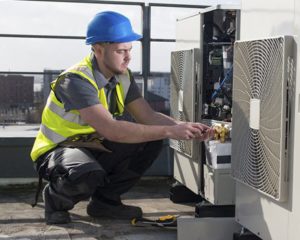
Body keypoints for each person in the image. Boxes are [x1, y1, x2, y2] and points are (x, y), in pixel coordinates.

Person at [30, 11, 214, 225]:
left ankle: (105, 202)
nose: (128, 57)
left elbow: (148, 116)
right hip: (59, 150)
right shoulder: (75, 80)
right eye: (121, 51)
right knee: (86, 173)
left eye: (129, 50)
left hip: (94, 145)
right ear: (98, 50)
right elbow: (112, 130)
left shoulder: (123, 76)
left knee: (150, 140)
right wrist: (170, 131)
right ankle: (56, 201)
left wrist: (184, 127)